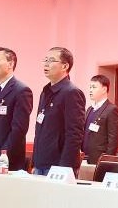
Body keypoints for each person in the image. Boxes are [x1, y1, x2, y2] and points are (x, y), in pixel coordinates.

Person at [0, 47, 33, 171]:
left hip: (6, 159)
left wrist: (4, 153)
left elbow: (19, 129)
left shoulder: (21, 91)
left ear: (10, 64)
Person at [32, 47, 86, 175]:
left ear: (65, 66)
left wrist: (64, 167)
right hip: (41, 163)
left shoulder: (71, 92)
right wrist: (34, 162)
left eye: (51, 60)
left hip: (59, 165)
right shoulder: (45, 92)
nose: (46, 64)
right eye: (45, 60)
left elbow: (74, 134)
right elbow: (39, 129)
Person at [81, 74, 118, 163]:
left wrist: (106, 161)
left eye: (94, 87)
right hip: (84, 157)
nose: (91, 90)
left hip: (99, 159)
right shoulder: (90, 109)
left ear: (104, 89)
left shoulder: (111, 109)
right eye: (90, 87)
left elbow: (113, 140)